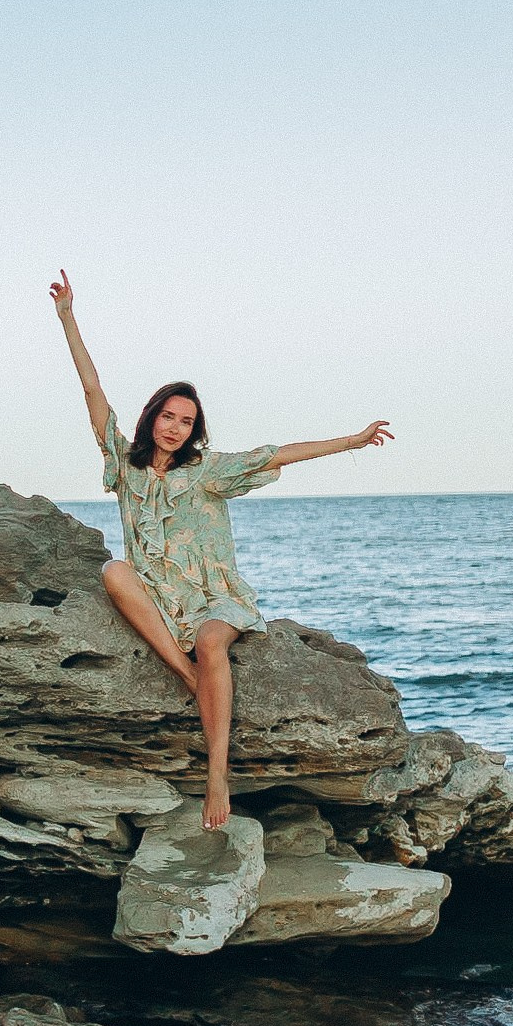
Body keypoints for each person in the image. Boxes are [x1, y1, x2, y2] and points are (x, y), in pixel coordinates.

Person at [50, 269, 393, 829]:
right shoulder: (124, 463)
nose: (175, 428)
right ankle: (189, 680)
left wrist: (351, 440)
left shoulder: (208, 471)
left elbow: (277, 454)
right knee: (114, 571)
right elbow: (92, 390)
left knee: (212, 642)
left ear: (194, 430)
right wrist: (68, 317)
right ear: (151, 417)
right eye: (168, 416)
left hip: (213, 597)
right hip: (159, 596)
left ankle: (217, 776)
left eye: (186, 422)